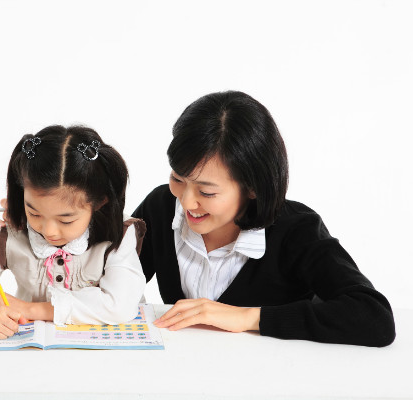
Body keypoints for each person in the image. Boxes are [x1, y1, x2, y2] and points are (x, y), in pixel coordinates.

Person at [132, 90, 395, 347]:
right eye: (177, 179)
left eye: (207, 191)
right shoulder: (161, 207)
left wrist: (247, 317)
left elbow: (374, 317)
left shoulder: (297, 230)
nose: (186, 201)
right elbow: (107, 278)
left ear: (252, 187)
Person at [0, 125, 146, 339]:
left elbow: (120, 304)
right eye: (34, 214)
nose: (49, 231)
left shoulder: (119, 234)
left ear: (100, 202)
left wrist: (29, 309)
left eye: (66, 219)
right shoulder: (10, 235)